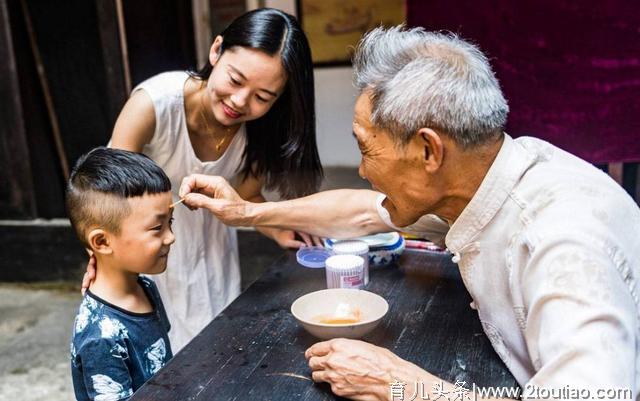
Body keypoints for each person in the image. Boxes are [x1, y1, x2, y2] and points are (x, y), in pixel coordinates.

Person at [177, 26, 640, 400]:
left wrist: (399, 384)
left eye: (365, 149)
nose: (360, 170)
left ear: (427, 150)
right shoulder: (488, 176)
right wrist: (245, 212)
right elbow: (360, 212)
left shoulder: (560, 244)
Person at [83, 8, 324, 350]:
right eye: (235, 80)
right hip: (149, 262)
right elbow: (102, 196)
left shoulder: (261, 129)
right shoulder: (154, 106)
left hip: (214, 262)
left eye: (262, 97)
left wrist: (279, 227)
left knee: (214, 355)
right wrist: (103, 266)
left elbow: (247, 198)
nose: (240, 102)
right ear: (216, 50)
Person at [68, 148, 175, 401]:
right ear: (102, 242)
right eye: (157, 227)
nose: (171, 237)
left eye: (171, 222)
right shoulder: (100, 337)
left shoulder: (146, 286)